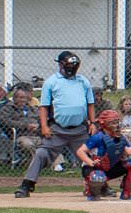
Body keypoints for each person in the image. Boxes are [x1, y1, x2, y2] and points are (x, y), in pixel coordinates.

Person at [15, 51, 96, 199]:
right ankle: (27, 185)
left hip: (79, 129)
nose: (72, 68)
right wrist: (44, 126)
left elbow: (90, 103)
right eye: (69, 65)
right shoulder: (51, 82)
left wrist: (92, 123)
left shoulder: (82, 81)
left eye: (74, 65)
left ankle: (99, 185)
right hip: (58, 129)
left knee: (91, 156)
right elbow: (44, 107)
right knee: (41, 153)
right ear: (61, 65)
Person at [79, 112, 131, 201]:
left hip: (110, 167)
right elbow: (80, 151)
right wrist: (90, 162)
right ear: (104, 124)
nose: (116, 125)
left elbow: (129, 152)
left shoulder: (120, 137)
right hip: (94, 168)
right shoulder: (97, 137)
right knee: (98, 176)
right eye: (113, 122)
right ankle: (92, 192)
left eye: (117, 122)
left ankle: (127, 193)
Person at [0, 84, 38, 167]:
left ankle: (57, 166)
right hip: (20, 136)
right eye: (19, 97)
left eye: (24, 98)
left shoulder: (33, 109)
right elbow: (5, 121)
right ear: (14, 98)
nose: (22, 100)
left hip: (36, 135)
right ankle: (37, 163)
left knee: (52, 142)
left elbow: (41, 120)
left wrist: (38, 126)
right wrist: (25, 125)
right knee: (27, 144)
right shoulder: (7, 108)